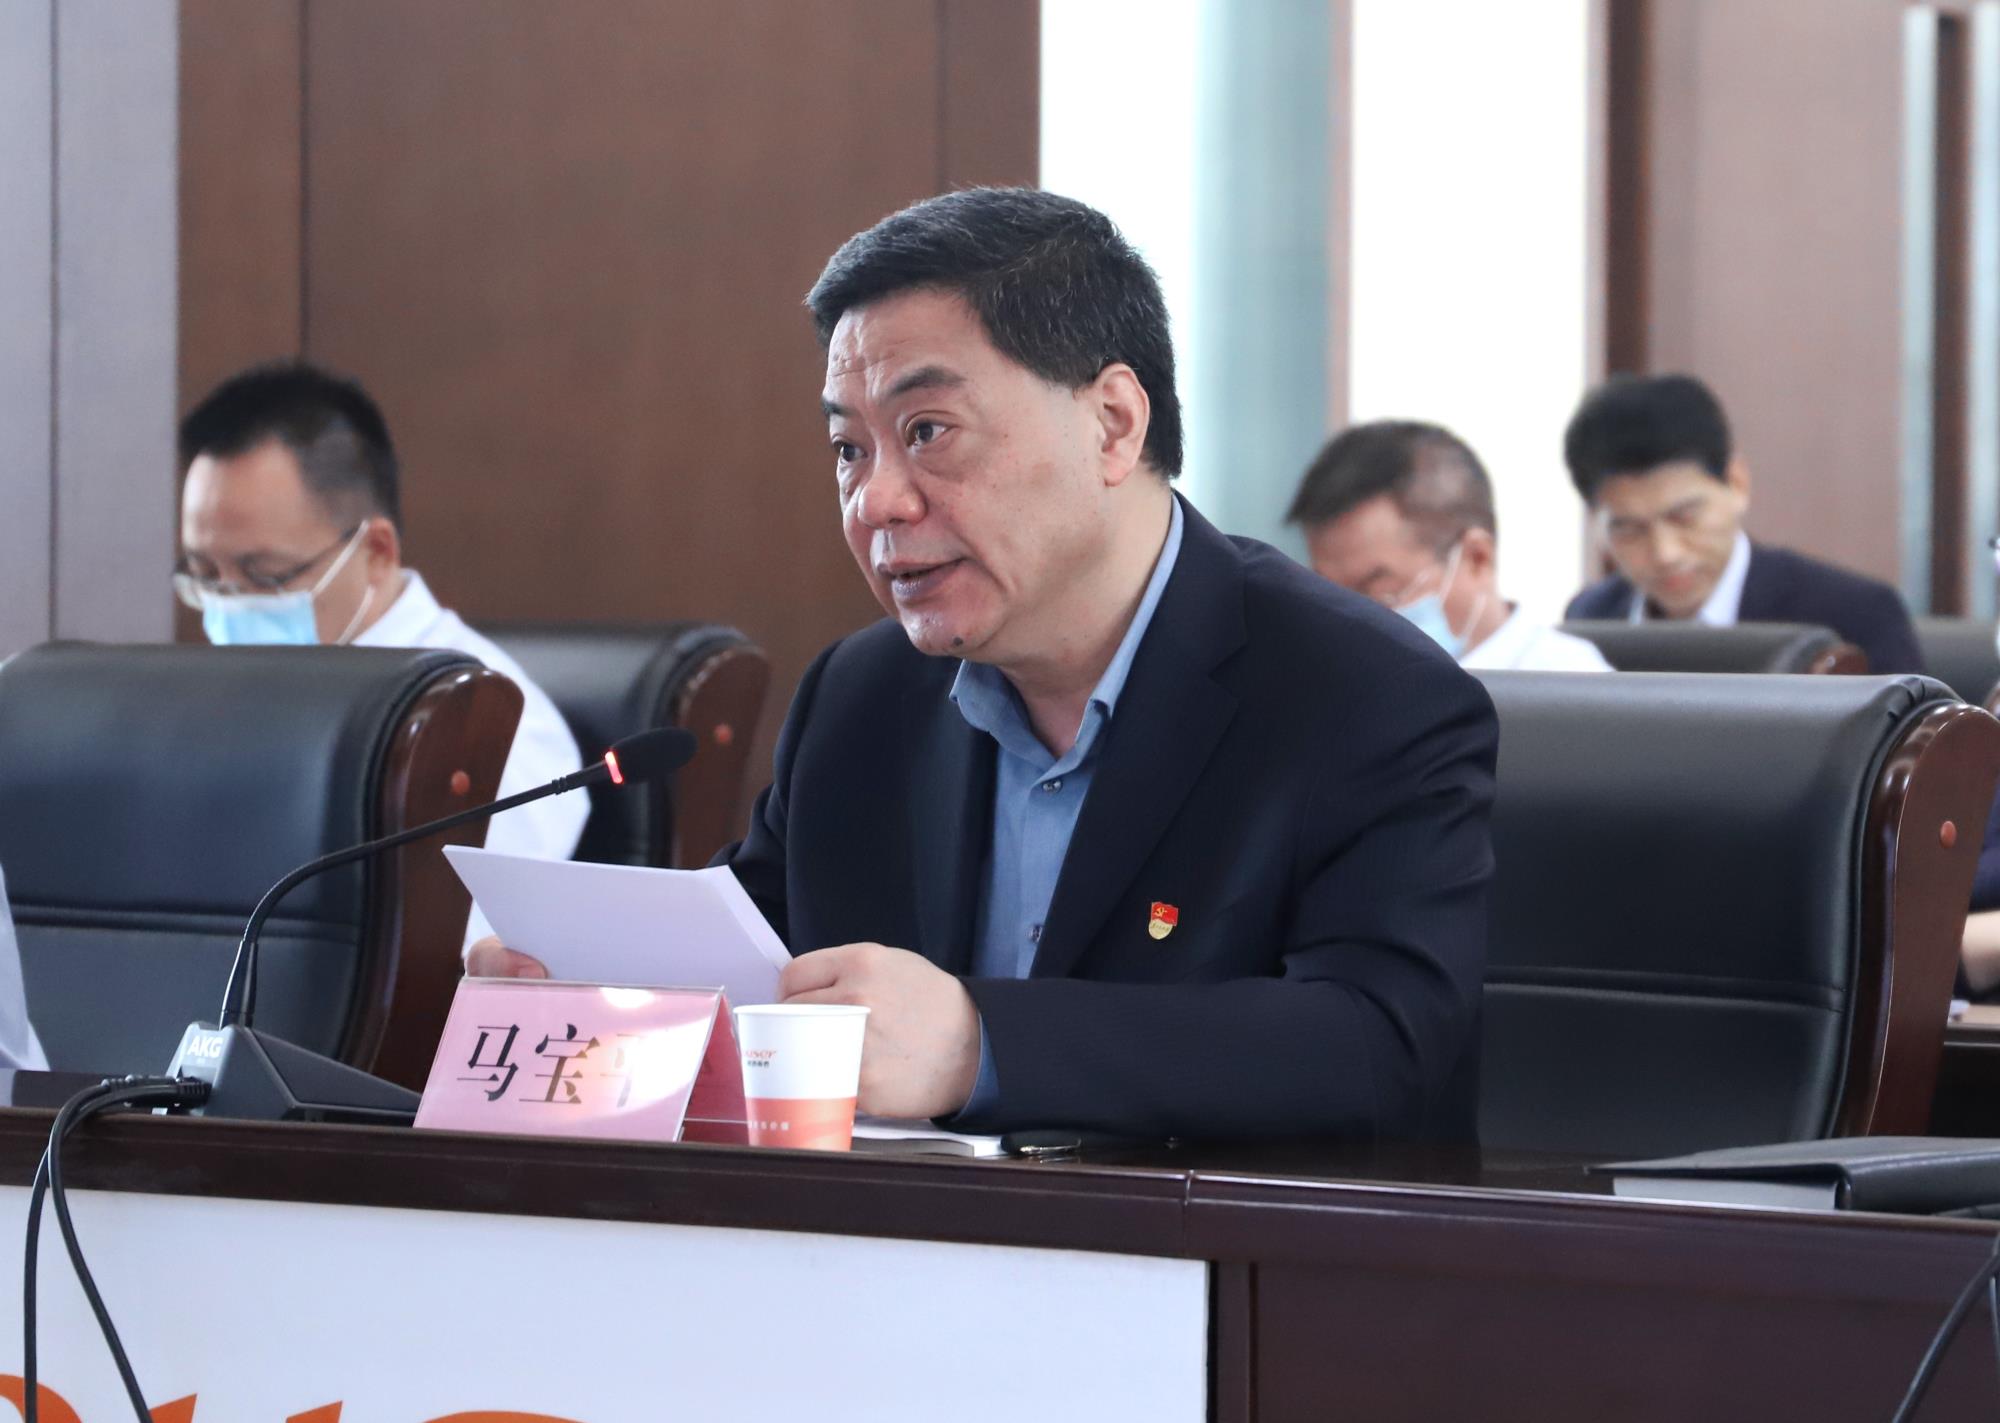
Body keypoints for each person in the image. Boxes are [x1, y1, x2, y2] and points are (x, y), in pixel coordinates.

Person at [474, 188, 1497, 1140]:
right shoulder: (862, 697)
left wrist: (982, 1045)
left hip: (1215, 1263)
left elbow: (1379, 1041)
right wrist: (598, 996)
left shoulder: (1361, 693)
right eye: (849, 449)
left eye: (927, 432)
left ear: (1112, 423)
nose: (876, 500)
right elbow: (756, 962)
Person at [175, 363, 587, 943]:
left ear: (375, 552)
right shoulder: (215, 703)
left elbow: (443, 955)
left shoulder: (499, 726)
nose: (228, 606)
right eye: (204, 576)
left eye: (264, 576)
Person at [1562, 373, 1924, 674]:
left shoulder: (1853, 615)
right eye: (1629, 530)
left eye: (1684, 517)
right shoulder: (1589, 620)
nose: (1665, 553)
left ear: (1737, 483)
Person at [1287, 420, 1611, 673]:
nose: (1347, 622)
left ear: (1476, 558)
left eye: (1378, 592)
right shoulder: (1324, 692)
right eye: (1328, 595)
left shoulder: (1576, 687)